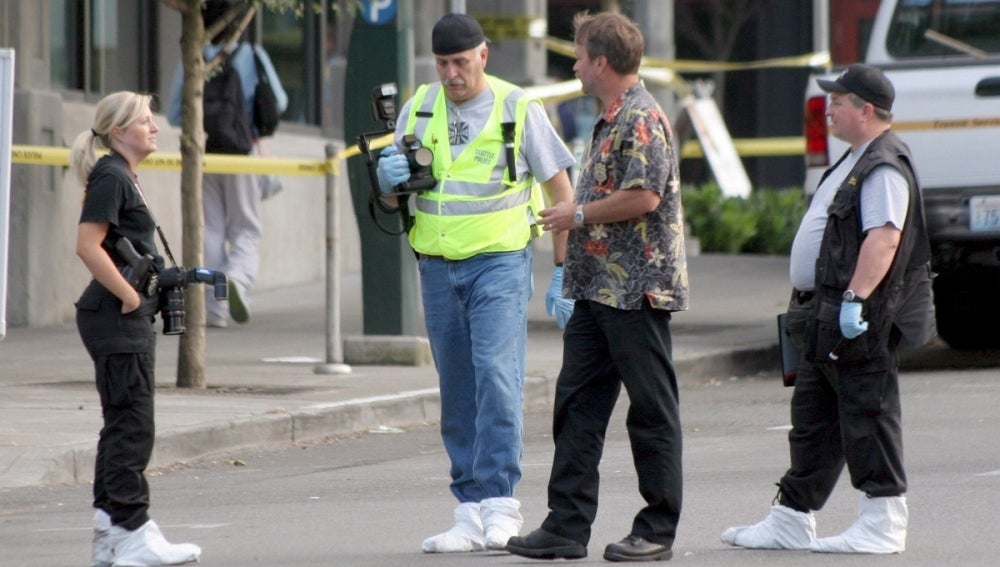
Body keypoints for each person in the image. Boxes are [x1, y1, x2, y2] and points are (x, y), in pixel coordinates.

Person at [374, 13, 576, 553]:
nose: (452, 73)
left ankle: (501, 503)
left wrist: (563, 271)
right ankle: (468, 510)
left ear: (483, 55)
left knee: (496, 376)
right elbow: (396, 196)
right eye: (443, 63)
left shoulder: (517, 107)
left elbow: (561, 191)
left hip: (500, 263)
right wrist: (387, 184)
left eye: (461, 62)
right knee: (457, 386)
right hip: (437, 263)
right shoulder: (418, 107)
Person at [721, 64, 934, 554]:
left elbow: (884, 238)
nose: (829, 108)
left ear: (864, 109)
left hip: (858, 315)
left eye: (838, 101)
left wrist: (856, 300)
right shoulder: (855, 158)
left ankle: (883, 520)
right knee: (815, 416)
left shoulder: (882, 164)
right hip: (824, 313)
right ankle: (791, 516)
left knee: (868, 412)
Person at [505, 11, 688, 563]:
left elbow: (644, 197)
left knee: (651, 410)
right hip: (596, 291)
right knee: (578, 406)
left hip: (635, 290)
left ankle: (656, 528)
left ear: (602, 62)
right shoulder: (612, 116)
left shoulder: (641, 119)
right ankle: (566, 524)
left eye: (581, 56)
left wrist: (575, 214)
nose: (577, 66)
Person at [71, 91, 201, 567]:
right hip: (115, 315)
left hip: (116, 315)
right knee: (133, 426)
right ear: (120, 130)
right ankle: (132, 533)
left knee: (121, 424)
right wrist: (130, 296)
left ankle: (110, 531)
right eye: (146, 121)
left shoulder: (121, 175)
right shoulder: (111, 175)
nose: (155, 128)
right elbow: (88, 245)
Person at [167, 0, 288, 328]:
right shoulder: (251, 54)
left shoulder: (194, 57)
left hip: (206, 157)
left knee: (212, 231)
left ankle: (215, 310)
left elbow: (175, 113)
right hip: (243, 155)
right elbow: (280, 101)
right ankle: (237, 278)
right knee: (246, 229)